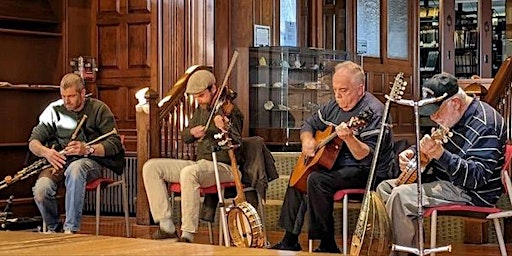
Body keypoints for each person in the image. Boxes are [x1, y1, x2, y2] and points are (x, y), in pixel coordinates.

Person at [271, 61, 397, 252]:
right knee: (299, 177)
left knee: (317, 180)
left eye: (343, 90)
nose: (338, 96)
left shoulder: (375, 112)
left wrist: (350, 139)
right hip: (337, 166)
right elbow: (309, 124)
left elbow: (369, 158)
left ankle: (327, 244)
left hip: (368, 172)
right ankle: (290, 240)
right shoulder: (334, 106)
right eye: (335, 90)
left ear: (360, 89)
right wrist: (307, 140)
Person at [376, 72, 507, 253]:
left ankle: (401, 253)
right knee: (385, 188)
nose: (433, 118)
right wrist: (413, 152)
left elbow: (477, 178)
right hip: (444, 181)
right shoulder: (452, 116)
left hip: (471, 192)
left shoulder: (486, 124)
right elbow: (435, 139)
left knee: (401, 196)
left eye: (436, 112)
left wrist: (440, 155)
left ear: (455, 103)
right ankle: (411, 249)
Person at [142, 69, 244, 243]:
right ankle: (166, 226)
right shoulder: (201, 110)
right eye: (196, 97)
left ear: (214, 89)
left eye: (202, 95)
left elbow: (237, 140)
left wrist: (225, 127)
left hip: (224, 166)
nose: (199, 100)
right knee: (151, 167)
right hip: (201, 163)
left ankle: (187, 233)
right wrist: (193, 132)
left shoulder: (231, 110)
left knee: (189, 173)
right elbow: (185, 136)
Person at [31, 73, 124, 234]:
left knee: (76, 168)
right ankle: (54, 228)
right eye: (63, 96)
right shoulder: (54, 110)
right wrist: (47, 153)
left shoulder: (99, 108)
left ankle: (70, 230)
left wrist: (87, 149)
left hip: (90, 163)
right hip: (60, 161)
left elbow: (114, 143)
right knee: (41, 189)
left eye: (72, 96)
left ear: (82, 93)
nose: (67, 101)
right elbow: (33, 142)